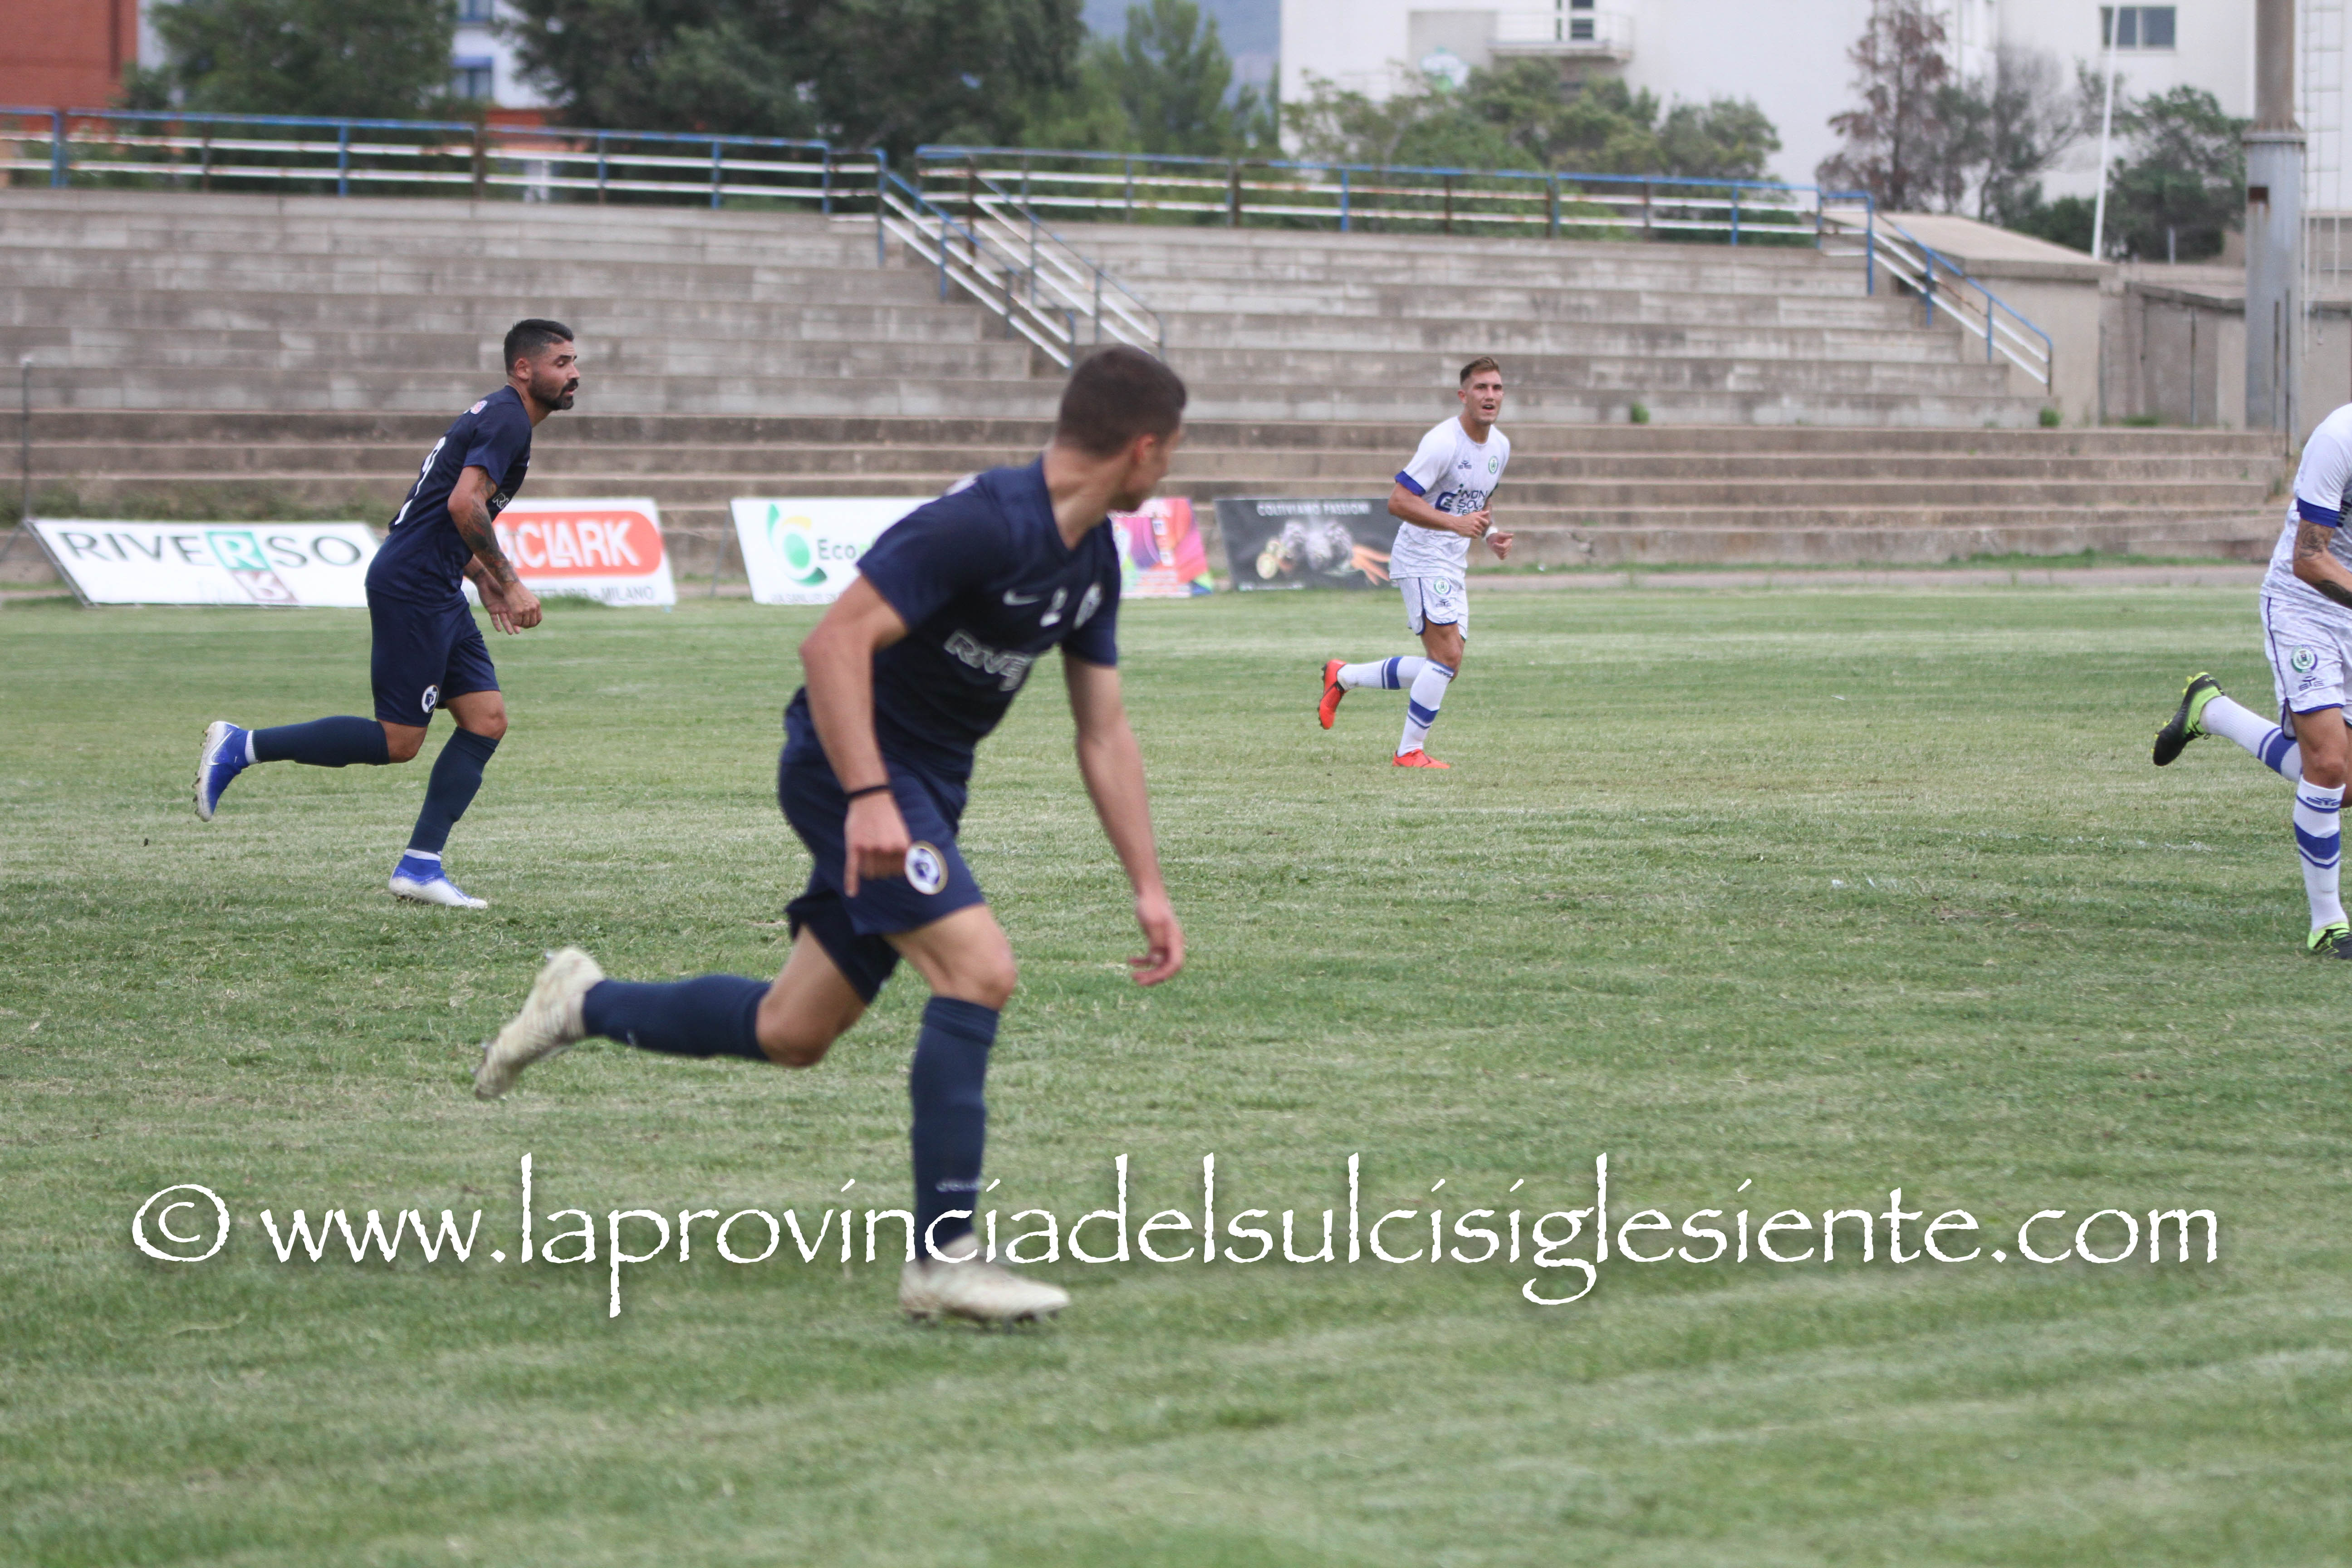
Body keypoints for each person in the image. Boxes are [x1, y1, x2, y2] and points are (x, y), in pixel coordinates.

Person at [473, 347, 1190, 1326]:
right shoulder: (980, 522)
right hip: (847, 772)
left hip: (920, 792)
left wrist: (1148, 886)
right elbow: (833, 642)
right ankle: (943, 1259)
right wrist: (870, 796)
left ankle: (582, 1004)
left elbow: (1102, 730)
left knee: (793, 1030)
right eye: (1172, 450)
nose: (1171, 467)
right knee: (979, 971)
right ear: (1143, 448)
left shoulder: (1092, 558)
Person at [191, 319, 577, 908]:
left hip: (436, 580)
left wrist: (479, 578)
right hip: (414, 584)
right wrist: (510, 581)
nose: (574, 374)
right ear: (524, 369)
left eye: (575, 363)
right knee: (399, 740)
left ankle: (420, 867)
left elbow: (437, 512)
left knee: (486, 720)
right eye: (562, 363)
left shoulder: (500, 417)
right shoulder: (507, 419)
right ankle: (241, 746)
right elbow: (463, 504)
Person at [2153, 399, 2352, 956]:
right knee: (2328, 764)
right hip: (2305, 608)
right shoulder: (2339, 437)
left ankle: (2213, 711)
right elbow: (2309, 558)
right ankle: (2328, 924)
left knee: (2341, 787)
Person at [1318, 357, 1514, 768]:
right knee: (1446, 659)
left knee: (1446, 666)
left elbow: (1478, 501)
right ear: (1464, 396)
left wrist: (1490, 533)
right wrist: (1455, 524)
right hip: (1422, 557)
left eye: (1496, 388)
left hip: (1452, 562)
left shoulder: (1500, 446)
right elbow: (1399, 501)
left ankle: (1344, 676)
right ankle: (1409, 752)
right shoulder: (1442, 442)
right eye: (1481, 388)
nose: (1490, 395)